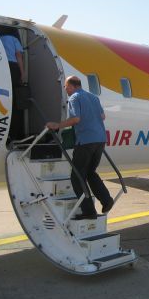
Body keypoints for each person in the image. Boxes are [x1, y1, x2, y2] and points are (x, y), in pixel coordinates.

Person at [46, 76, 114, 219]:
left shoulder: (74, 98)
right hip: (100, 140)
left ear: (71, 86)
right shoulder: (93, 97)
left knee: (77, 177)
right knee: (90, 172)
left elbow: (76, 119)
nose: (65, 89)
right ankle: (106, 200)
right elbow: (102, 116)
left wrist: (57, 125)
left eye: (65, 87)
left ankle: (89, 212)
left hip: (86, 141)